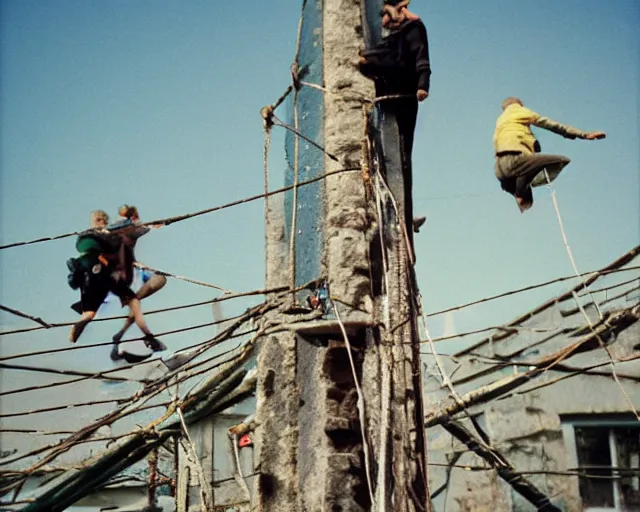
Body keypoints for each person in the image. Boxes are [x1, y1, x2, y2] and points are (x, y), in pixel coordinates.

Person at [358, 0, 431, 253]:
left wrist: (423, 85)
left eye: (386, 15)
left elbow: (421, 59)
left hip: (404, 94)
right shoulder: (394, 35)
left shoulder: (413, 29)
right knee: (390, 159)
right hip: (390, 94)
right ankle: (399, 215)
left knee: (401, 158)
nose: (384, 22)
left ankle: (402, 219)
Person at [67, 210, 164, 359]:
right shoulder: (97, 236)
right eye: (98, 220)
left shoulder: (113, 234)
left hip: (116, 278)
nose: (101, 222)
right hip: (106, 278)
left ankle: (121, 332)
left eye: (103, 220)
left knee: (156, 282)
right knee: (125, 303)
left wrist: (156, 225)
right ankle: (128, 333)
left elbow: (137, 231)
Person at [493, 97, 606, 212]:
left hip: (500, 171)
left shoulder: (500, 121)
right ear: (519, 104)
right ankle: (521, 190)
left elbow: (507, 140)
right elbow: (552, 125)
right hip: (515, 161)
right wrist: (584, 135)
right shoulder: (519, 111)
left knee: (527, 201)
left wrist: (533, 143)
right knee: (562, 160)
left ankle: (520, 193)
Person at [109, 205, 167, 352]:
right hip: (123, 274)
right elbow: (143, 229)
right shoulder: (126, 229)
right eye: (135, 216)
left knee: (159, 279)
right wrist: (159, 224)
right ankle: (128, 334)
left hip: (133, 269)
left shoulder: (123, 230)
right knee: (138, 299)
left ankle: (122, 334)